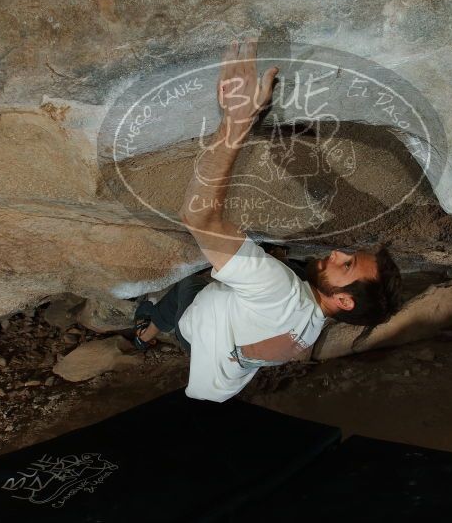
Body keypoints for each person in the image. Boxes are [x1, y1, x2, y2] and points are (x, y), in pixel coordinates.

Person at [132, 37, 403, 402]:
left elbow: (198, 216)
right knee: (194, 288)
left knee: (186, 287)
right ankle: (148, 332)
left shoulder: (277, 289)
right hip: (219, 343)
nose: (338, 252)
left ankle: (148, 329)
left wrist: (236, 121)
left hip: (195, 322)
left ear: (345, 301)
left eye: (348, 264)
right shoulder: (307, 331)